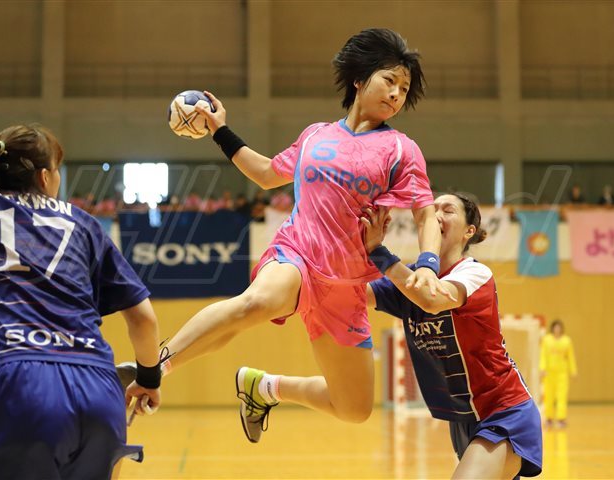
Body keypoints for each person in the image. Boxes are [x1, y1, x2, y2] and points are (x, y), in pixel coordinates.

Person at [118, 28, 450, 444]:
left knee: (354, 408)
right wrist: (221, 131)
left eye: (404, 88)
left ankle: (265, 387)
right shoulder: (316, 135)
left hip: (346, 286)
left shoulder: (400, 149)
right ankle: (154, 368)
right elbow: (264, 173)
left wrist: (428, 264)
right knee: (256, 302)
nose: (397, 94)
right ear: (359, 80)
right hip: (297, 254)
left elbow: (425, 213)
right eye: (390, 80)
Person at [0, 125, 163, 480]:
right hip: (101, 387)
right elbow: (144, 319)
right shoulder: (84, 223)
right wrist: (148, 378)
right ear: (44, 176)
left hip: (23, 382)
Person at [364, 193, 543, 479]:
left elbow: (431, 299)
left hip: (504, 410)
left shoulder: (474, 273)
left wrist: (378, 251)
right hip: (461, 418)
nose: (435, 215)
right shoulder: (409, 279)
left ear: (468, 231)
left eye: (447, 210)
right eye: (431, 209)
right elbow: (355, 296)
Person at [540, 319, 577, 428]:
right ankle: (549, 418)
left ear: (561, 329)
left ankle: (561, 419)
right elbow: (543, 355)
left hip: (562, 374)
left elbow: (570, 357)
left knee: (562, 396)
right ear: (552, 328)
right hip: (549, 374)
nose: (557, 329)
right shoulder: (547, 340)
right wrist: (542, 368)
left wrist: (573, 371)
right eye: (555, 327)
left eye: (559, 327)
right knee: (549, 397)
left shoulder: (567, 341)